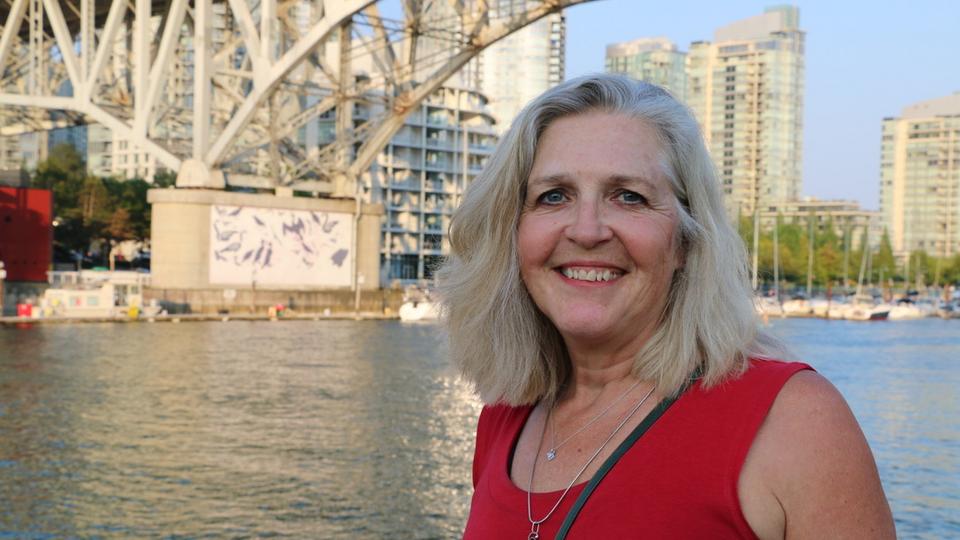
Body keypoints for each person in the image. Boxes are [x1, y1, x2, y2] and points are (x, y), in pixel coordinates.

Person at [437, 74, 895, 539]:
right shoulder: (504, 417)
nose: (587, 230)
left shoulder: (796, 423)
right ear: (512, 234)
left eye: (629, 197)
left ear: (685, 242)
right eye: (553, 196)